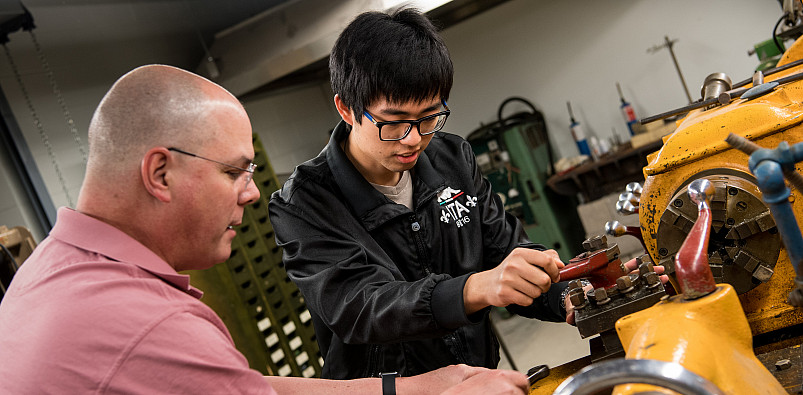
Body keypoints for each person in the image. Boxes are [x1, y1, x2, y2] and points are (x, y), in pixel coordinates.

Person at [0, 64, 530, 394]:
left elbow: (249, 387)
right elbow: (358, 305)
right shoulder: (151, 325)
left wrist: (416, 390)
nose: (251, 193)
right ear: (160, 172)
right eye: (233, 172)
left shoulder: (49, 270)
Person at [267, 8, 572, 380]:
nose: (414, 139)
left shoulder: (453, 159)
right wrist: (474, 288)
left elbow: (505, 249)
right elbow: (361, 307)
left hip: (477, 382)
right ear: (347, 109)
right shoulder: (303, 203)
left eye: (429, 117)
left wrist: (572, 295)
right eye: (393, 123)